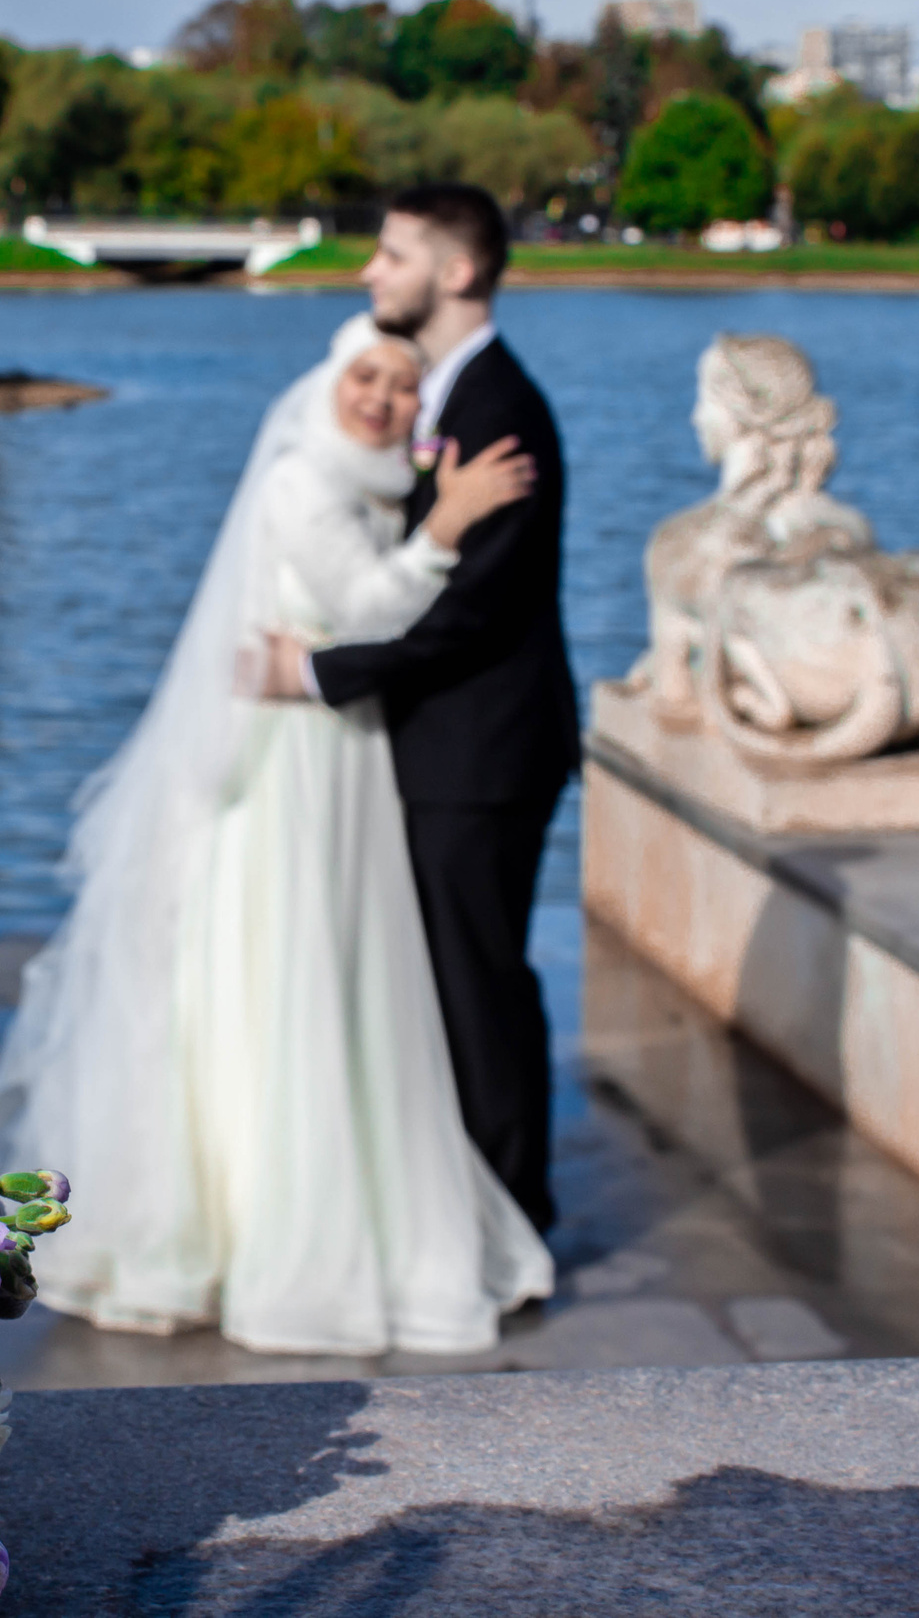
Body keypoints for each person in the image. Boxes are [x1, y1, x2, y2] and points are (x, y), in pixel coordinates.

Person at [0, 311, 555, 1355]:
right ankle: (265, 1228)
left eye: (401, 385)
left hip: (337, 751)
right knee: (284, 968)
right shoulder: (306, 480)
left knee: (331, 972)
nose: (381, 399)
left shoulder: (364, 482)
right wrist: (451, 525)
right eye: (366, 377)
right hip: (288, 770)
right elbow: (370, 604)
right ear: (327, 380)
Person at [259, 183, 582, 1232]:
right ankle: (468, 1204)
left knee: (478, 983)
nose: (369, 271)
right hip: (444, 742)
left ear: (455, 271)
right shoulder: (439, 401)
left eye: (392, 253)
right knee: (447, 983)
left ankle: (515, 1215)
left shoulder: (499, 412)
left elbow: (476, 614)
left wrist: (316, 674)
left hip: (483, 750)